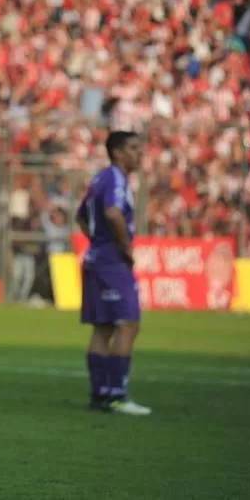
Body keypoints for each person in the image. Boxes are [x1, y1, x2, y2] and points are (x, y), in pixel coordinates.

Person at [76, 131, 151, 416]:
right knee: (128, 323)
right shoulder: (116, 179)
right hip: (111, 261)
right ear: (118, 153)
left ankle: (100, 394)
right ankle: (117, 396)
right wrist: (125, 248)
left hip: (95, 258)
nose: (139, 152)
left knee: (103, 327)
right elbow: (112, 213)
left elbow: (81, 216)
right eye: (133, 147)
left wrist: (96, 241)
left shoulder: (99, 179)